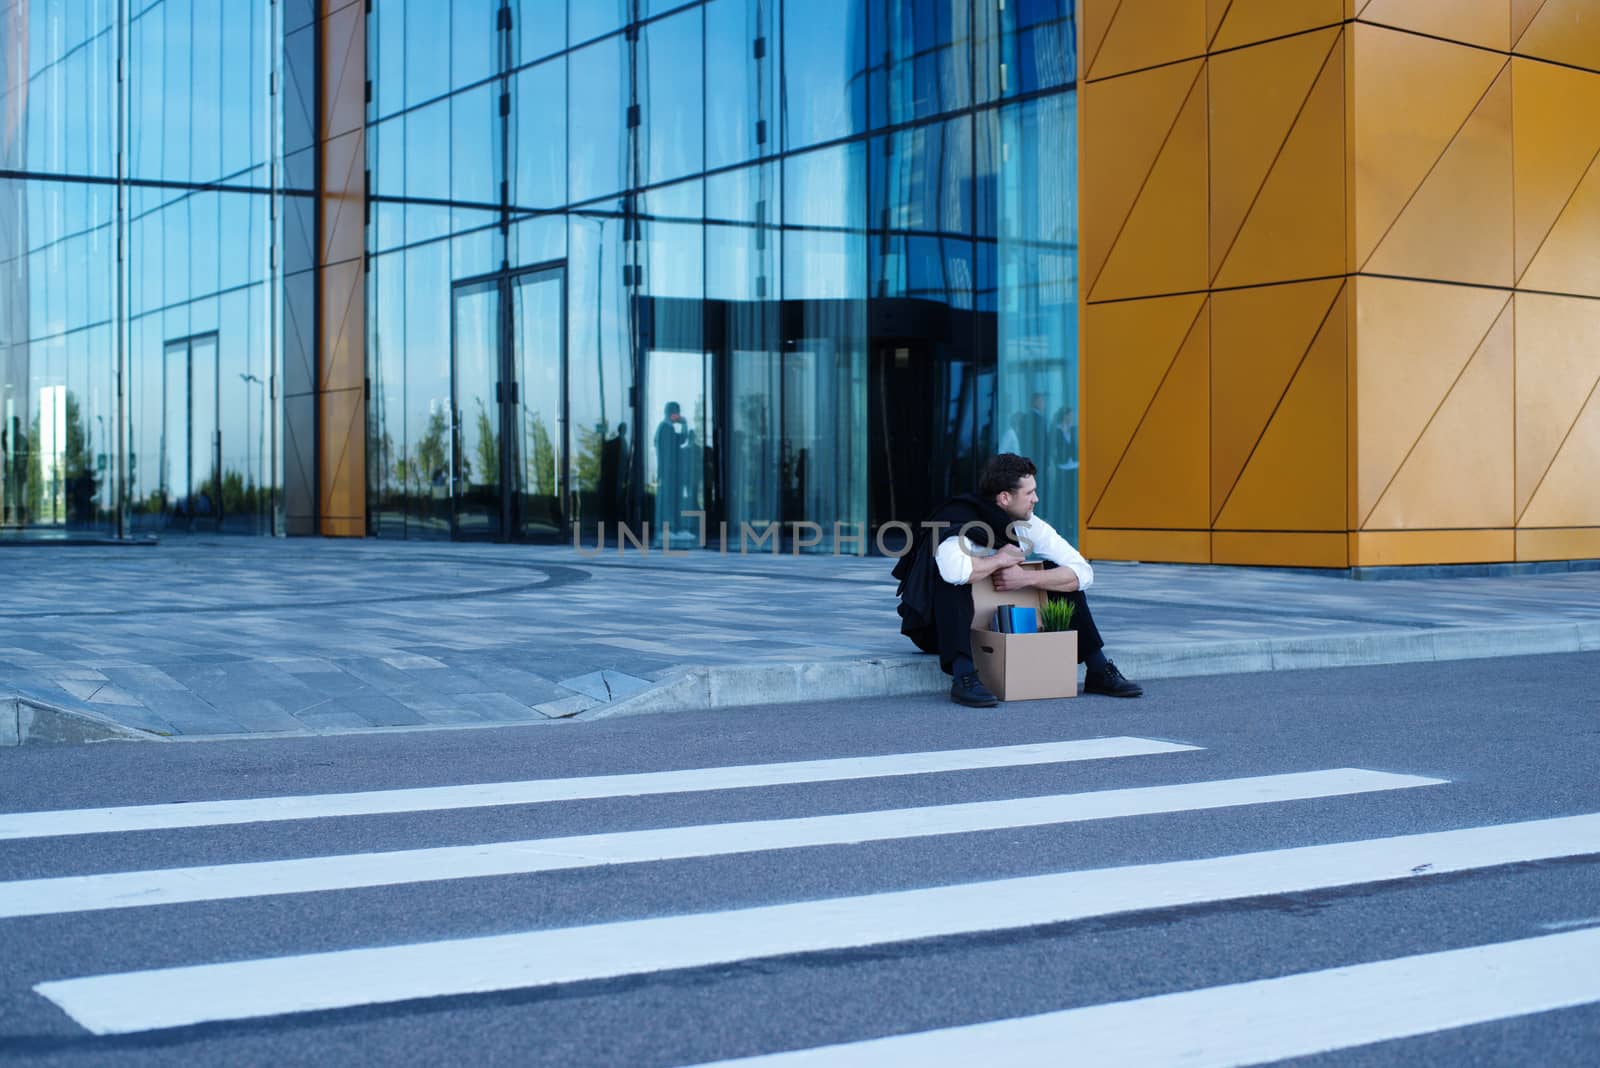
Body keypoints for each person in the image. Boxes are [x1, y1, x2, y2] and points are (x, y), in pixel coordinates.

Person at [892, 452, 1143, 707]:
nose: (1036, 499)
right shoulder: (960, 519)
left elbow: (1083, 572)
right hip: (938, 629)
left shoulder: (1026, 523)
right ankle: (963, 675)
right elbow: (953, 571)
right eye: (1029, 493)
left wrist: (1026, 578)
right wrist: (999, 560)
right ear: (1004, 497)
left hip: (990, 624)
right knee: (953, 581)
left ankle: (1098, 669)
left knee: (1056, 572)